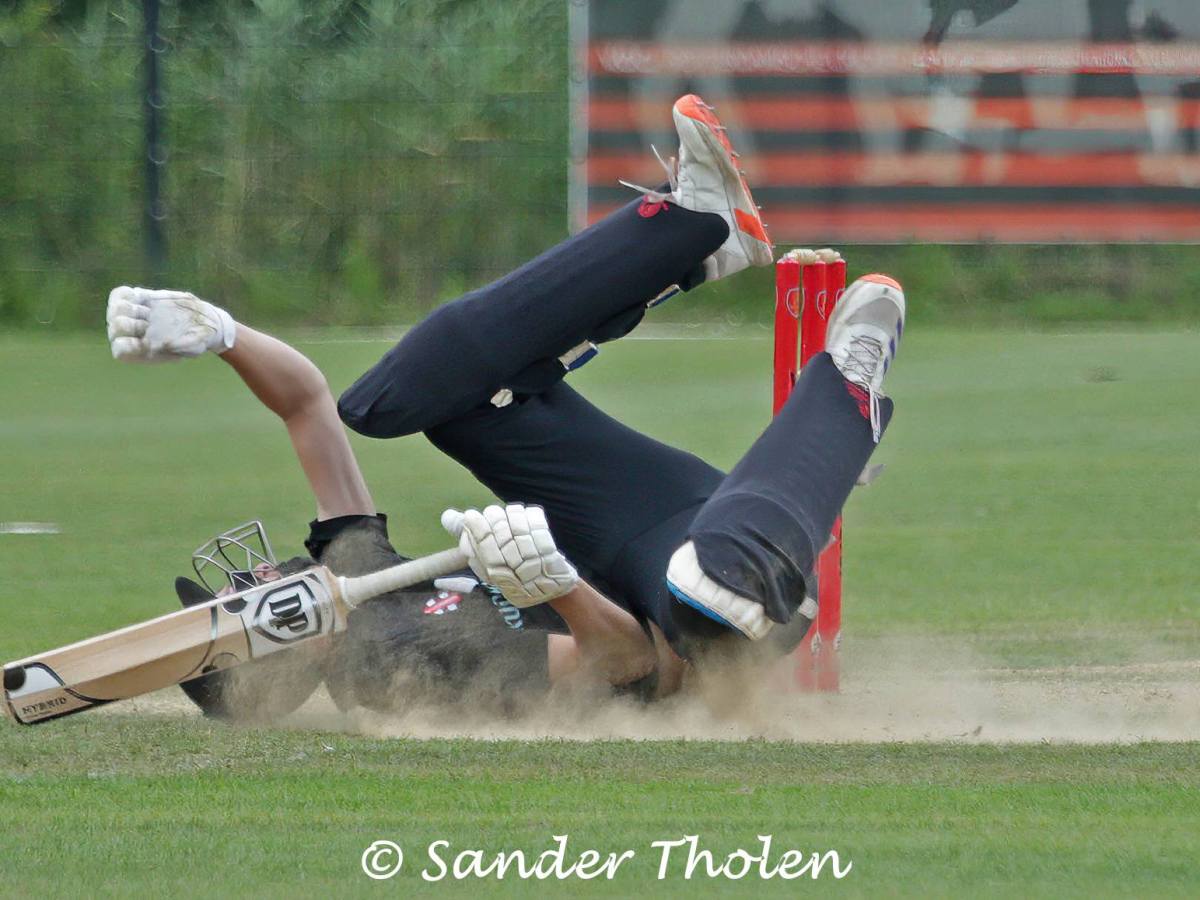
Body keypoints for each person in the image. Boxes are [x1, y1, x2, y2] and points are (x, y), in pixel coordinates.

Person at [107, 94, 904, 717]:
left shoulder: (355, 577)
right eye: (235, 592)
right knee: (710, 598)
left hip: (633, 529)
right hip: (694, 617)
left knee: (389, 401)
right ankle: (840, 406)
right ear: (272, 641)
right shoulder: (391, 667)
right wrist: (550, 583)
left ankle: (698, 228)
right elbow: (631, 668)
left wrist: (219, 331)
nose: (248, 569)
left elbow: (307, 402)